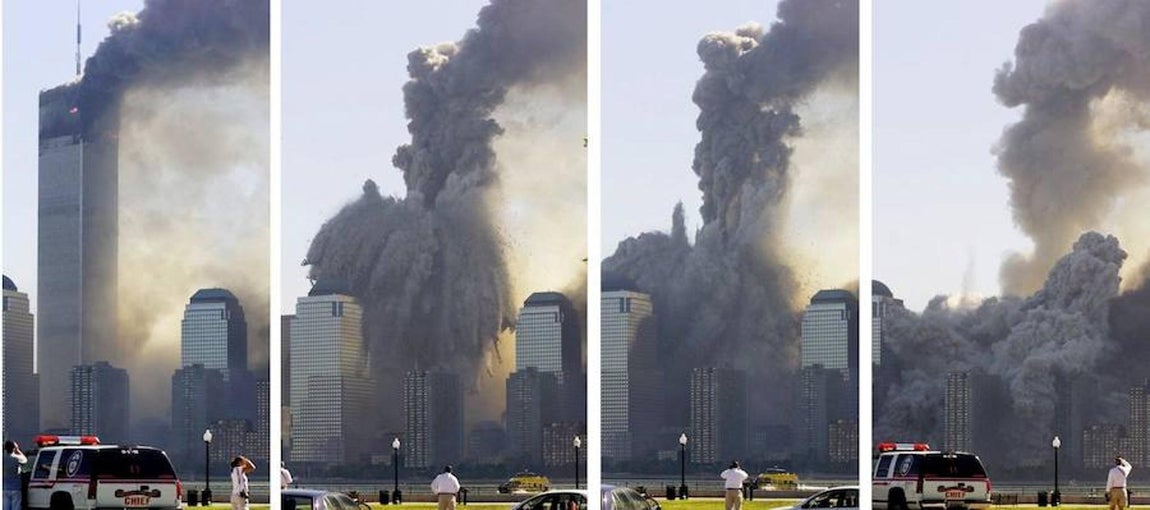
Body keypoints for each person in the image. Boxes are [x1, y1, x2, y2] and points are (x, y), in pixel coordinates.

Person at [3, 441, 27, 510]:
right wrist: (18, 450)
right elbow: (25, 460)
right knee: (16, 507)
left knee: (5, 507)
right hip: (16, 488)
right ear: (14, 448)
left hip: (5, 488)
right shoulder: (17, 458)